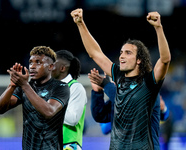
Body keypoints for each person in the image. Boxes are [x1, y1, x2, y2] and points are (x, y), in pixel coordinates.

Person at [71, 8, 171, 149]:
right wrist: (80, 23)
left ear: (139, 60)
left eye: (128, 53)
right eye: (121, 52)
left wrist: (159, 28)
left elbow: (165, 59)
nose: (122, 56)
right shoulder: (118, 76)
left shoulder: (149, 83)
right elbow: (95, 53)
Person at [0, 46, 70, 150]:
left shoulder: (61, 87)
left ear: (51, 66)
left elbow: (49, 112)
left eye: (38, 62)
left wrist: (25, 86)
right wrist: (12, 86)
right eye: (30, 62)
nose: (32, 66)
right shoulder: (24, 87)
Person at [88, 68, 170, 150]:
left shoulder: (144, 91)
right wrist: (97, 92)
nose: (111, 81)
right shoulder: (115, 99)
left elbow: (163, 116)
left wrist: (106, 85)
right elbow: (100, 116)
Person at [51, 50, 87, 150]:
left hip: (68, 145)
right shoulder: (50, 89)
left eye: (53, 64)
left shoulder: (75, 88)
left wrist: (50, 107)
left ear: (62, 68)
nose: (49, 66)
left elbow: (73, 119)